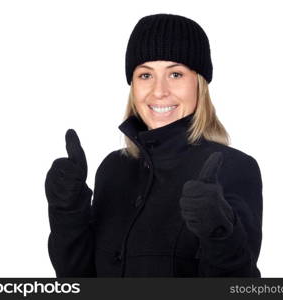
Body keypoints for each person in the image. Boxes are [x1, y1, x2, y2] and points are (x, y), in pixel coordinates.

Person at [45, 13, 263, 277]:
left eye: (175, 73)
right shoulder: (114, 169)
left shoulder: (234, 168)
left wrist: (219, 232)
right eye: (145, 75)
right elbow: (77, 278)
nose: (159, 90)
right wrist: (67, 210)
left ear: (200, 83)